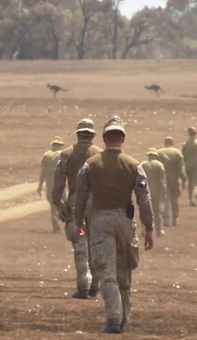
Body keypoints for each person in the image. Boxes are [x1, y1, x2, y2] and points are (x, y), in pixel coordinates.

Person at [75, 115, 155, 334]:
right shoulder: (134, 165)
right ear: (122, 138)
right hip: (125, 222)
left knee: (107, 272)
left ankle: (113, 319)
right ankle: (123, 318)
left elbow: (81, 194)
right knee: (124, 271)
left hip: (100, 221)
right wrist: (148, 228)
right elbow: (144, 199)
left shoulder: (91, 164)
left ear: (103, 138)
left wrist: (79, 220)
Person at [51, 118, 102, 300]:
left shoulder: (66, 154)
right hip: (96, 204)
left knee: (80, 247)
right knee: (96, 245)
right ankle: (95, 285)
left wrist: (58, 203)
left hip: (74, 201)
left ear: (78, 134)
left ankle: (83, 286)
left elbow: (58, 182)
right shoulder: (100, 155)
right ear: (93, 135)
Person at [37, 136, 65, 233]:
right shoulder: (63, 154)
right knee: (64, 204)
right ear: (61, 145)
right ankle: (60, 220)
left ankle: (55, 224)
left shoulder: (46, 155)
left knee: (53, 205)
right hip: (60, 185)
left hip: (50, 184)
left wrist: (40, 186)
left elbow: (43, 173)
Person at [157, 137, 187, 226]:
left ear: (165, 142)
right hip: (174, 179)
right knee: (174, 200)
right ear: (172, 143)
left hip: (162, 180)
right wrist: (183, 179)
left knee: (164, 199)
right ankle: (175, 219)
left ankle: (166, 219)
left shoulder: (159, 153)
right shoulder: (177, 153)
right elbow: (180, 169)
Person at [140, 148, 167, 237]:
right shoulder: (159, 165)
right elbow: (162, 181)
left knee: (144, 210)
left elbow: (140, 179)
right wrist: (164, 192)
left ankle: (143, 230)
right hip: (156, 191)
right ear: (155, 155)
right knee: (156, 211)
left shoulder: (143, 165)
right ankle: (159, 230)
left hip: (145, 190)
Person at [181, 127, 197, 206]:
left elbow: (183, 155)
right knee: (196, 183)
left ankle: (190, 199)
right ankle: (193, 198)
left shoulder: (185, 144)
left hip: (188, 165)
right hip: (196, 165)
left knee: (190, 183)